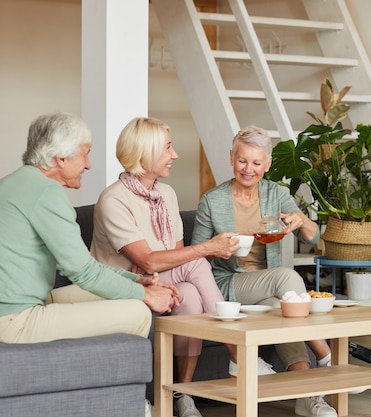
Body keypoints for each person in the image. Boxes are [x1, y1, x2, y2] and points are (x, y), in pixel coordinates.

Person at [89, 117, 276, 417]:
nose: (175, 155)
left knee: (189, 292)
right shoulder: (114, 200)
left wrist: (197, 255)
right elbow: (147, 261)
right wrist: (207, 248)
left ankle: (182, 393)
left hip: (158, 278)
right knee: (198, 266)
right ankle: (239, 355)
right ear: (144, 154)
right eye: (167, 148)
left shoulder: (167, 195)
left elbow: (177, 256)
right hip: (123, 286)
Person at [0, 112, 179, 417]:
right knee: (138, 310)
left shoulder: (15, 183)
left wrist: (135, 281)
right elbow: (82, 272)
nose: (88, 165)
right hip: (15, 319)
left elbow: (76, 265)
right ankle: (140, 406)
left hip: (30, 302)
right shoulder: (46, 193)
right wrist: (146, 296)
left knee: (129, 294)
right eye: (84, 154)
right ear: (60, 159)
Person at [191, 126, 337, 417]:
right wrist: (218, 248)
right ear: (232, 158)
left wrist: (300, 219)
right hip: (230, 282)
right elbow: (198, 255)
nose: (249, 169)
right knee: (286, 277)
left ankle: (306, 395)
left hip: (267, 288)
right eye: (242, 161)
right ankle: (326, 355)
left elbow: (311, 237)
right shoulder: (213, 199)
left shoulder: (276, 193)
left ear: (267, 164)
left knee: (284, 310)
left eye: (257, 163)